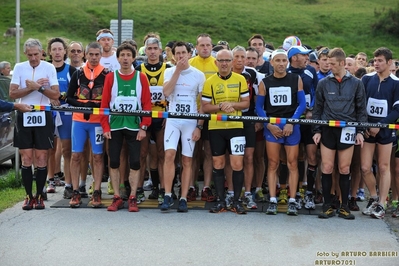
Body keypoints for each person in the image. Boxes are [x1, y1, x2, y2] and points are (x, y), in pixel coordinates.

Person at [312, 48, 368, 220]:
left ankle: (344, 206)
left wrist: (360, 131)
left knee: (344, 168)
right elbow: (317, 109)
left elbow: (361, 110)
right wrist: (316, 130)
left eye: (333, 64)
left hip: (348, 129)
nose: (330, 66)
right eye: (328, 63)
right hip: (328, 129)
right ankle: (327, 205)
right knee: (327, 167)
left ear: (343, 63)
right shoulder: (323, 83)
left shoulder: (357, 83)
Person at [9, 38, 60, 210]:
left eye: (36, 54)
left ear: (42, 53)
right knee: (27, 157)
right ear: (26, 54)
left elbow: (55, 95)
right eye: (30, 55)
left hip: (43, 113)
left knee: (41, 157)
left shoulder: (49, 67)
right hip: (24, 113)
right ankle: (28, 196)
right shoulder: (19, 67)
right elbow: (12, 94)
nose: (33, 58)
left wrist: (38, 87)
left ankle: (39, 195)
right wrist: (32, 87)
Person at [101, 43, 152, 212]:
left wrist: (144, 126)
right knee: (114, 161)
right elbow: (104, 104)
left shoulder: (141, 77)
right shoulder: (111, 77)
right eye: (122, 55)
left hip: (134, 126)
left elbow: (146, 103)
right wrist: (105, 126)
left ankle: (132, 197)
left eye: (128, 55)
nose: (125, 58)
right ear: (118, 58)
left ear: (133, 58)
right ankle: (116, 196)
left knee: (135, 162)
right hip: (115, 126)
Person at [255, 49, 306, 215]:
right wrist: (269, 124)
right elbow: (259, 107)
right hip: (273, 126)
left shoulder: (295, 79)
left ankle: (292, 200)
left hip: (291, 125)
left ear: (288, 62)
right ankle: (272, 199)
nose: (281, 64)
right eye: (278, 60)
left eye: (284, 60)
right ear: (272, 63)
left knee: (292, 163)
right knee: (273, 163)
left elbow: (302, 104)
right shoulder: (265, 82)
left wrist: (291, 122)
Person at [201, 49, 250, 214]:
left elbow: (246, 104)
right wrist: (221, 106)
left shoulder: (240, 79)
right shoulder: (210, 81)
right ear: (216, 62)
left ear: (232, 62)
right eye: (221, 60)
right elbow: (205, 107)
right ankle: (221, 201)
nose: (224, 63)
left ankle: (236, 201)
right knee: (218, 164)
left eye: (227, 60)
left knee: (237, 164)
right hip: (216, 128)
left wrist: (232, 105)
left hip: (236, 127)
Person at [160, 41, 205, 212]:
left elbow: (202, 103)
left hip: (190, 121)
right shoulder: (170, 71)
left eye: (183, 53)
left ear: (189, 54)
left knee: (187, 159)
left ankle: (184, 196)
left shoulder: (198, 74)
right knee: (169, 155)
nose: (180, 56)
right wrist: (177, 71)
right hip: (173, 120)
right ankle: (167, 194)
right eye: (177, 53)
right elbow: (166, 92)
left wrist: (199, 127)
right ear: (173, 55)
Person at [66, 42, 108, 208]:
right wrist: (82, 105)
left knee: (97, 156)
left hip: (97, 121)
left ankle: (97, 191)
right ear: (86, 55)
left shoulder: (106, 74)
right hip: (79, 121)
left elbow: (109, 99)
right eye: (91, 54)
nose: (94, 57)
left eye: (97, 54)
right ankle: (76, 191)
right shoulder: (78, 73)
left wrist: (96, 106)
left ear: (101, 55)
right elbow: (68, 97)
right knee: (76, 155)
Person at [360, 47, 399, 219]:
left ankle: (382, 204)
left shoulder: (396, 83)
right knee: (365, 167)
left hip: (385, 131)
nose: (376, 63)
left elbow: (397, 110)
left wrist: (381, 125)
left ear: (389, 62)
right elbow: (360, 104)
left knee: (384, 167)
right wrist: (365, 126)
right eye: (374, 60)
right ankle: (374, 198)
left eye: (380, 60)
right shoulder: (366, 79)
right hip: (368, 130)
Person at [135, 37, 172, 204]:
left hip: (161, 117)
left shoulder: (168, 68)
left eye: (154, 48)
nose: (151, 51)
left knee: (162, 153)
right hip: (144, 117)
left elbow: (174, 94)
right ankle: (140, 189)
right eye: (148, 48)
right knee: (142, 154)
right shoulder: (139, 69)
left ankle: (163, 189)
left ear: (160, 50)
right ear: (145, 50)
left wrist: (169, 114)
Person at [230, 45, 265, 209]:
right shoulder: (226, 72)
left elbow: (258, 98)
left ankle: (248, 192)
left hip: (248, 118)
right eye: (236, 57)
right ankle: (231, 192)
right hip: (230, 119)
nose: (239, 60)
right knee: (231, 157)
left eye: (242, 57)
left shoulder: (252, 74)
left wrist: (258, 119)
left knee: (249, 157)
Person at [287, 45, 318, 210]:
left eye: (307, 56)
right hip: (293, 120)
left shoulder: (311, 71)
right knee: (294, 158)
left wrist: (311, 110)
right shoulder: (285, 72)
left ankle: (310, 193)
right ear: (294, 58)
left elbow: (316, 92)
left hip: (309, 120)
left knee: (312, 156)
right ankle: (295, 192)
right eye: (303, 56)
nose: (307, 58)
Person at [46, 37, 77, 199]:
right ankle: (50, 180)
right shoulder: (45, 68)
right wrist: (50, 97)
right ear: (49, 52)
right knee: (50, 148)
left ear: (65, 51)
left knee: (66, 150)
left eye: (60, 49)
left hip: (66, 113)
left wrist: (62, 96)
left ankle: (69, 184)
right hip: (49, 112)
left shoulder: (71, 70)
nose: (57, 52)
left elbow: (75, 94)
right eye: (54, 49)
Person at [189, 33, 219, 202]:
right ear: (196, 47)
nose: (205, 48)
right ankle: (191, 186)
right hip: (192, 111)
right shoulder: (191, 63)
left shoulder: (217, 64)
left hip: (211, 113)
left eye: (208, 45)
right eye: (202, 45)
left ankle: (206, 186)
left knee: (208, 151)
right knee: (192, 152)